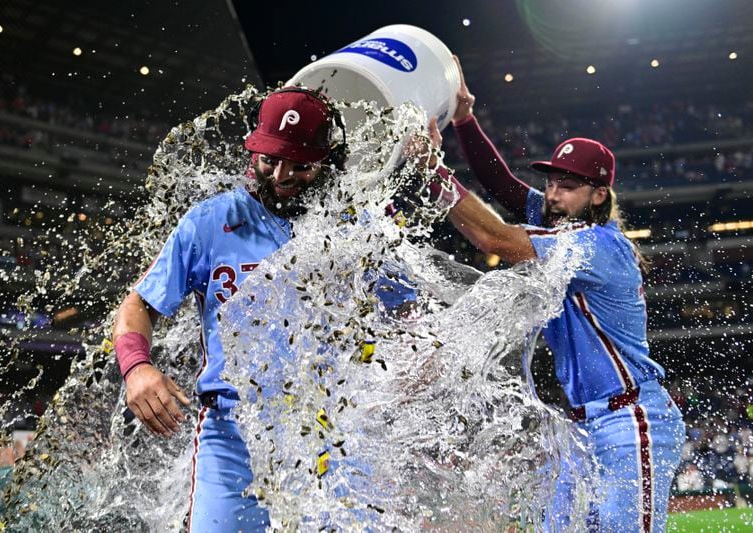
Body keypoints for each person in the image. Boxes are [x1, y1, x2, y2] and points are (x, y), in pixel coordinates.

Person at [112, 87, 411, 532]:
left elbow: (410, 312)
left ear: (329, 161)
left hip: (338, 432)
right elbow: (138, 304)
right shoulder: (212, 220)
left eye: (300, 164)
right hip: (233, 434)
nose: (281, 174)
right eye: (269, 159)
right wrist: (136, 366)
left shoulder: (358, 226)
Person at [427, 58, 686, 532]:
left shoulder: (598, 245)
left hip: (630, 421)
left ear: (599, 196)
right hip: (582, 427)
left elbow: (496, 240)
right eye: (549, 183)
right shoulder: (565, 228)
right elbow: (503, 187)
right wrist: (464, 118)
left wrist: (433, 171)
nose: (551, 195)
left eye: (567, 187)